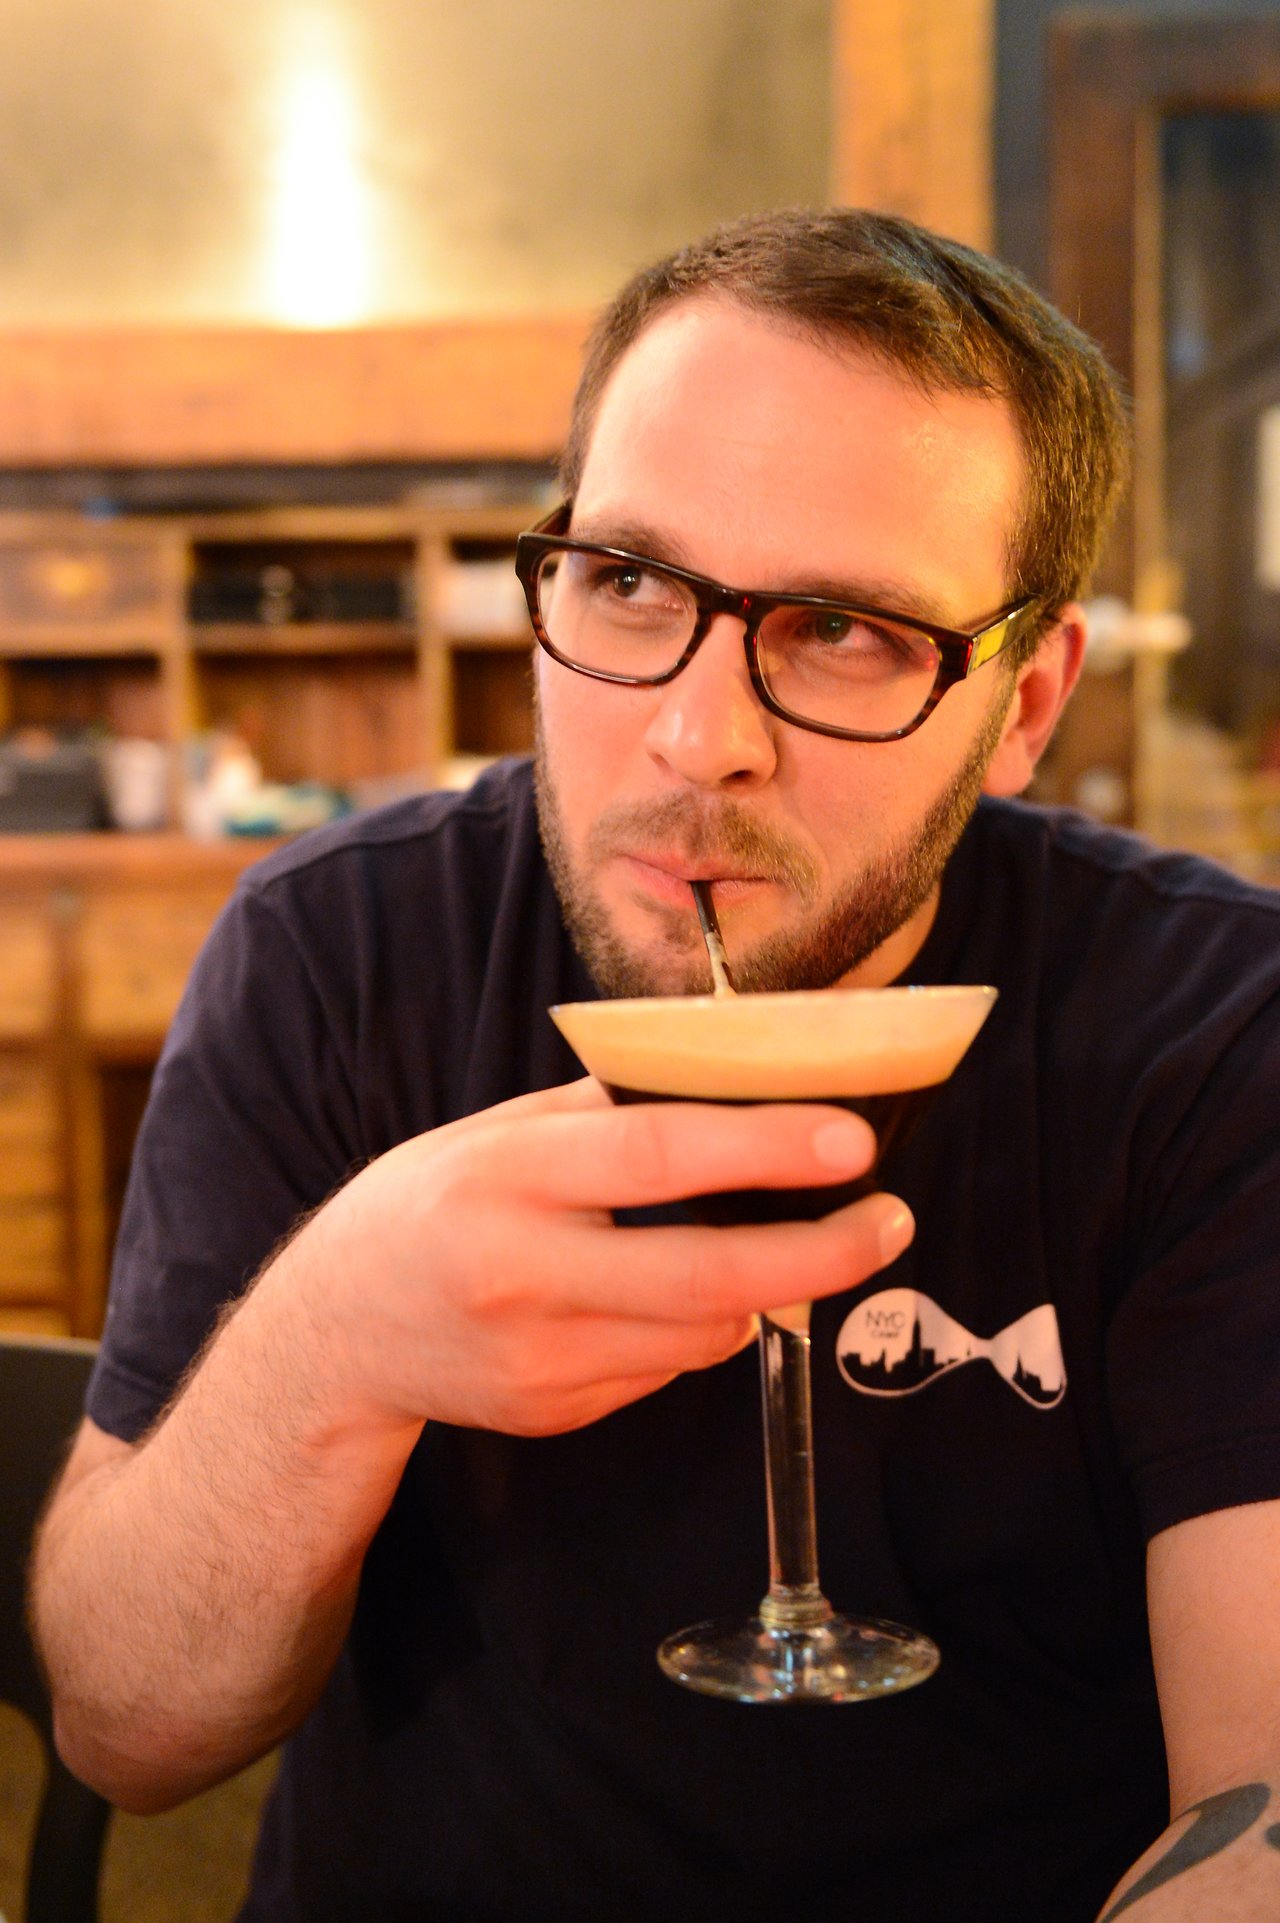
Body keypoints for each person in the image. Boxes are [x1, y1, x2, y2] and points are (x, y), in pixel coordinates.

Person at [30, 209, 1280, 1923]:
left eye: (845, 629)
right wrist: (333, 1339)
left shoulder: (1218, 1036)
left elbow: (1257, 1799)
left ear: (1029, 700)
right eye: (628, 584)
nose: (699, 739)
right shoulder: (337, 953)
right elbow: (127, 1730)